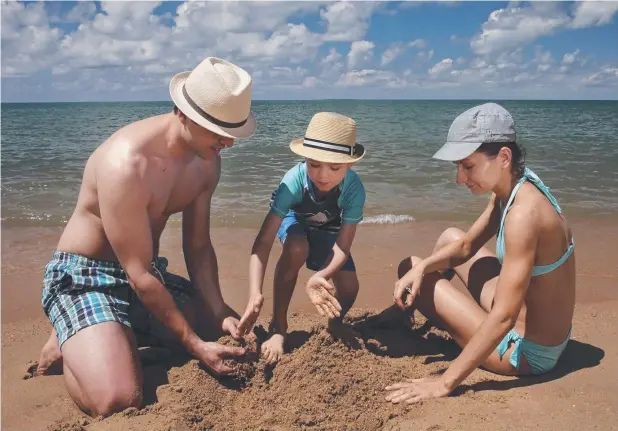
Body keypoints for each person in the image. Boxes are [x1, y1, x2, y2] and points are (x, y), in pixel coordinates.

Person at [34, 57, 257, 417]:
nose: (228, 142)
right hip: (87, 279)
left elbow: (198, 246)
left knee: (228, 335)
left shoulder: (208, 157)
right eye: (218, 130)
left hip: (146, 274)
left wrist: (218, 311)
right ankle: (70, 336)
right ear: (183, 113)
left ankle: (111, 334)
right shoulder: (126, 164)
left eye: (232, 130)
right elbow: (139, 275)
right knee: (119, 399)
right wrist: (193, 344)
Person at [385, 103, 575, 404]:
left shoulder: (523, 216)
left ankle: (407, 310)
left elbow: (503, 318)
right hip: (543, 327)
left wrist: (444, 383)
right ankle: (405, 310)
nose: (460, 179)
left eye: (468, 166)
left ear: (503, 156)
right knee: (447, 240)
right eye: (457, 167)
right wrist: (423, 270)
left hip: (525, 352)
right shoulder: (516, 184)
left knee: (407, 265)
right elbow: (465, 246)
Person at [236, 112, 366, 363]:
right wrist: (255, 293)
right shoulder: (292, 183)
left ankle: (334, 324)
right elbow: (263, 242)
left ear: (350, 165)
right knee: (297, 247)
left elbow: (343, 245)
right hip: (294, 219)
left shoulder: (354, 190)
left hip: (328, 226)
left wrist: (320, 276)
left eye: (334, 167)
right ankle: (278, 327)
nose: (323, 175)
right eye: (314, 164)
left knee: (350, 288)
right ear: (304, 158)